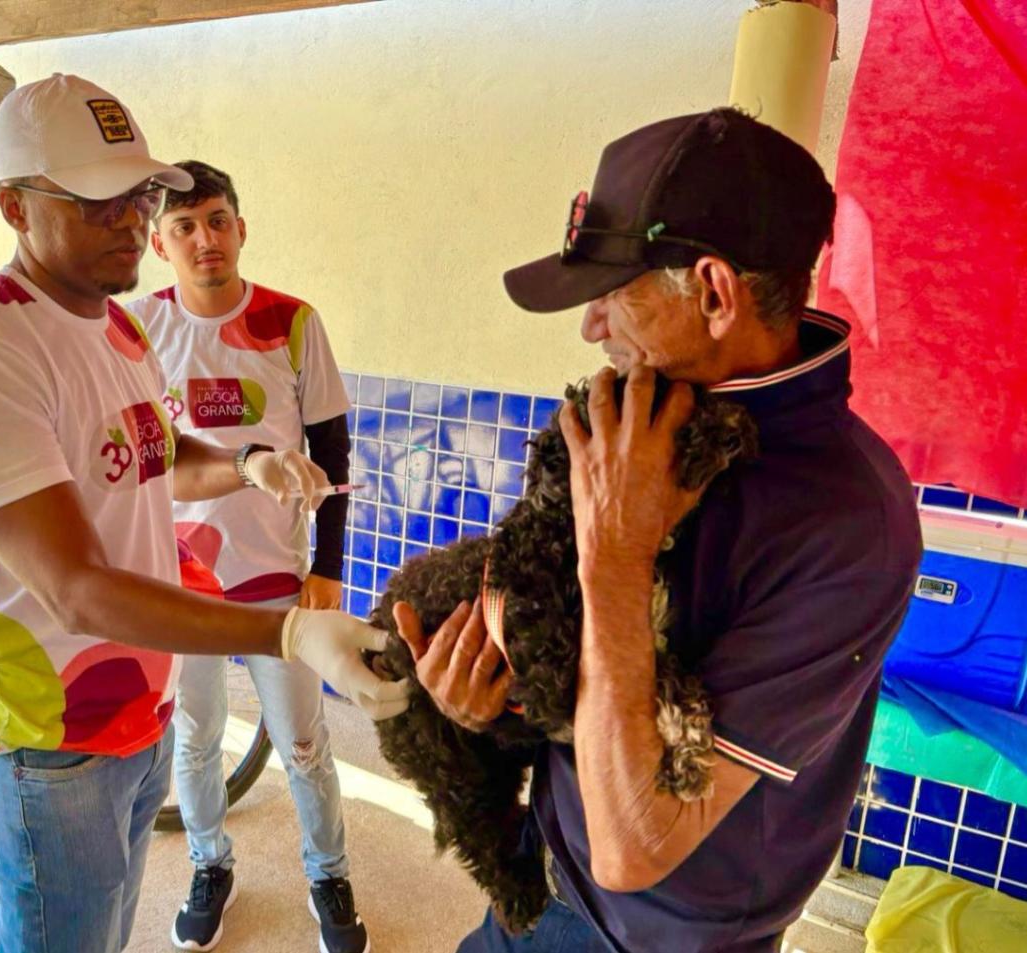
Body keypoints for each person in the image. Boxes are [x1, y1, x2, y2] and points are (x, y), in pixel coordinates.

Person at [395, 108, 924, 952]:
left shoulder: (850, 524)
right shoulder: (646, 421)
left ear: (714, 292)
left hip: (657, 935)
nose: (590, 327)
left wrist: (617, 553)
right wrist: (496, 706)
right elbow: (578, 663)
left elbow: (635, 843)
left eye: (611, 293)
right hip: (544, 871)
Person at [0, 74, 406, 953]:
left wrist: (250, 465)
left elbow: (158, 459)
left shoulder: (119, 331)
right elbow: (77, 590)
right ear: (14, 208)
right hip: (48, 735)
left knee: (109, 921)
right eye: (96, 198)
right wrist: (285, 634)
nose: (132, 218)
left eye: (139, 192)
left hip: (143, 702)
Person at [130, 160, 367, 953]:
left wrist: (327, 568)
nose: (206, 239)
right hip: (181, 580)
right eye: (185, 226)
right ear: (161, 243)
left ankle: (328, 872)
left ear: (241, 227)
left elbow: (332, 447)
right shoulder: (135, 328)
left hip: (276, 580)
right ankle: (208, 862)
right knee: (195, 741)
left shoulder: (291, 321)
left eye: (219, 220)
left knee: (303, 740)